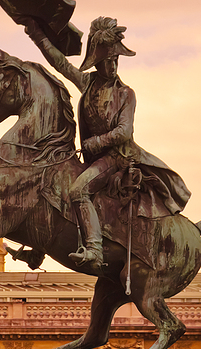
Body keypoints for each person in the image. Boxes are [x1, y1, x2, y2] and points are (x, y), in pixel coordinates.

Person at [23, 17, 190, 268]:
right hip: (95, 158)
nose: (113, 66)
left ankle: (94, 250)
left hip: (118, 157)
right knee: (49, 183)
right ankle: (38, 250)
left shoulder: (125, 93)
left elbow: (124, 131)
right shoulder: (88, 83)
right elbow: (61, 63)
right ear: (97, 63)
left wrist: (96, 142)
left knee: (78, 191)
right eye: (108, 61)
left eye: (116, 60)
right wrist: (36, 34)